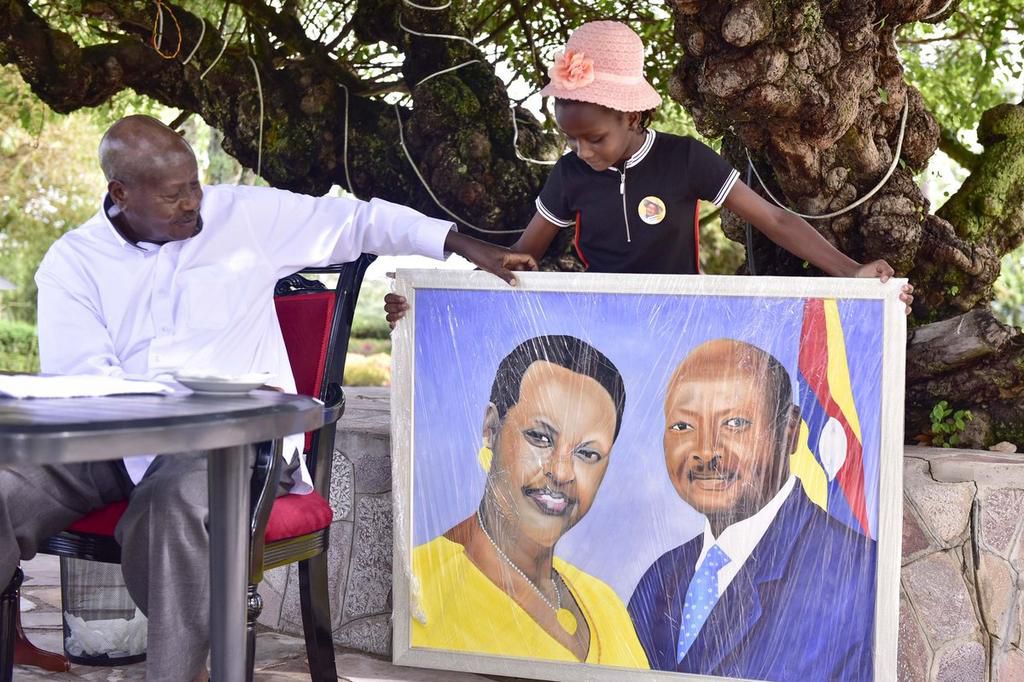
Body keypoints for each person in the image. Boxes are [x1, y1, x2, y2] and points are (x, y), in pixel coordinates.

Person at [0, 114, 539, 682]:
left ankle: (180, 675)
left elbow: (361, 220)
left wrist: (465, 245)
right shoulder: (73, 262)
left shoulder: (244, 217)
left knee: (170, 506)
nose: (193, 204)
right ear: (120, 193)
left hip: (230, 442)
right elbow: (87, 379)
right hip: (112, 441)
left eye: (195, 185)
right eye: (173, 194)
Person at [383, 20, 914, 324]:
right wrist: (429, 307)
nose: (582, 151)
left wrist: (849, 272)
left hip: (684, 320)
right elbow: (518, 260)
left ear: (632, 115)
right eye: (570, 139)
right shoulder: (568, 176)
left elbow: (774, 221)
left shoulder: (685, 159)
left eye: (595, 138)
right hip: (601, 326)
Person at [627, 339, 875, 681]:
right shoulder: (658, 582)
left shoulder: (858, 576)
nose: (705, 451)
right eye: (683, 426)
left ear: (789, 432)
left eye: (734, 424)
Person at [411, 335, 648, 668]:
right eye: (540, 437)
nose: (562, 471)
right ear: (491, 429)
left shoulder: (605, 603)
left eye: (587, 453)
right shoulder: (420, 587)